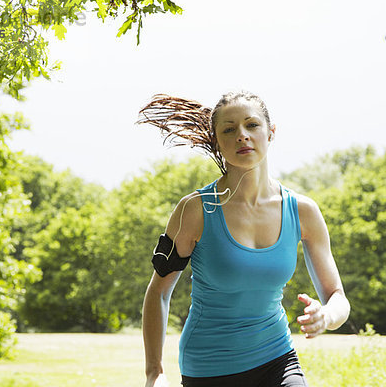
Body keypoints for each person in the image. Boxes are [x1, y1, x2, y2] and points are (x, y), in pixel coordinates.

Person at [138, 91, 350, 387]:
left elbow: (337, 296)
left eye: (252, 125)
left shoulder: (303, 211)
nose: (242, 135)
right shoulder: (196, 210)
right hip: (209, 367)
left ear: (270, 132)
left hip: (277, 359)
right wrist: (155, 372)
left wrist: (325, 316)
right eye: (229, 129)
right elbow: (159, 292)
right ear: (217, 140)